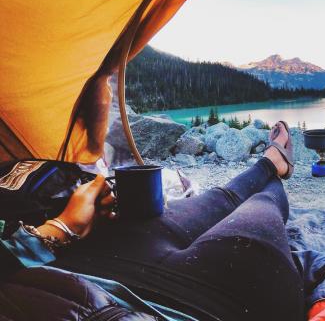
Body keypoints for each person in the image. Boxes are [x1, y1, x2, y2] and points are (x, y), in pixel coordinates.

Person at [0, 121, 304, 321]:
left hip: (74, 265)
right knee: (262, 204)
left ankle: (268, 164)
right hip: (168, 309)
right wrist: (61, 228)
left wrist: (61, 228)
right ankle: (274, 170)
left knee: (220, 198)